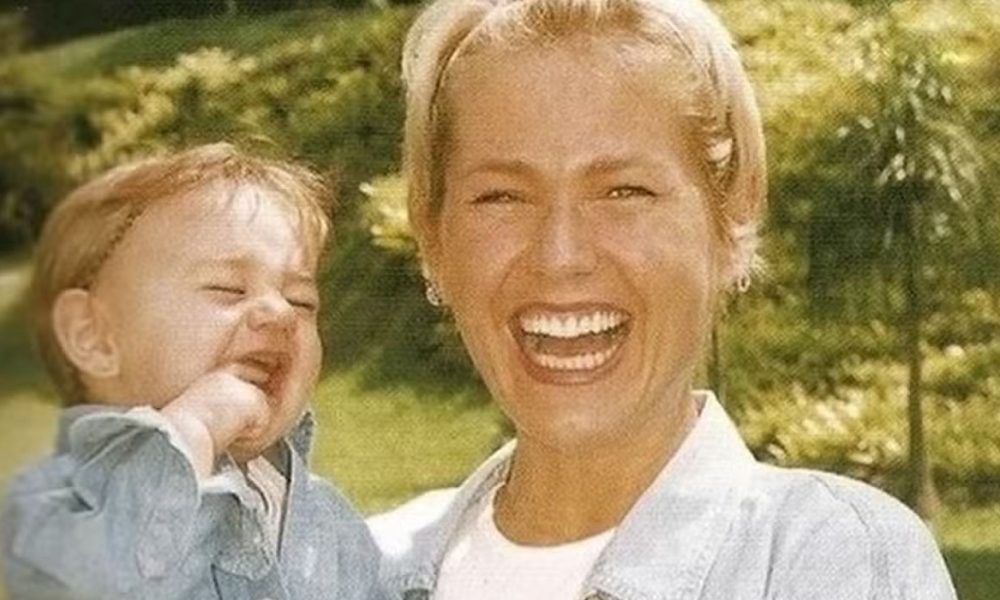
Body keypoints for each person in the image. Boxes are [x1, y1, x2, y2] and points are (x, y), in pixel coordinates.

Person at [369, 1, 957, 598]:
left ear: (732, 214)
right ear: (431, 235)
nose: (559, 255)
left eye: (624, 191)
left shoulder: (832, 560)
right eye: (502, 196)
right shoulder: (355, 569)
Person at [1, 144, 383, 599]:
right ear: (94, 337)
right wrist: (193, 430)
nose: (281, 313)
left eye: (301, 300)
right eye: (228, 288)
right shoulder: (61, 505)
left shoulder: (330, 521)